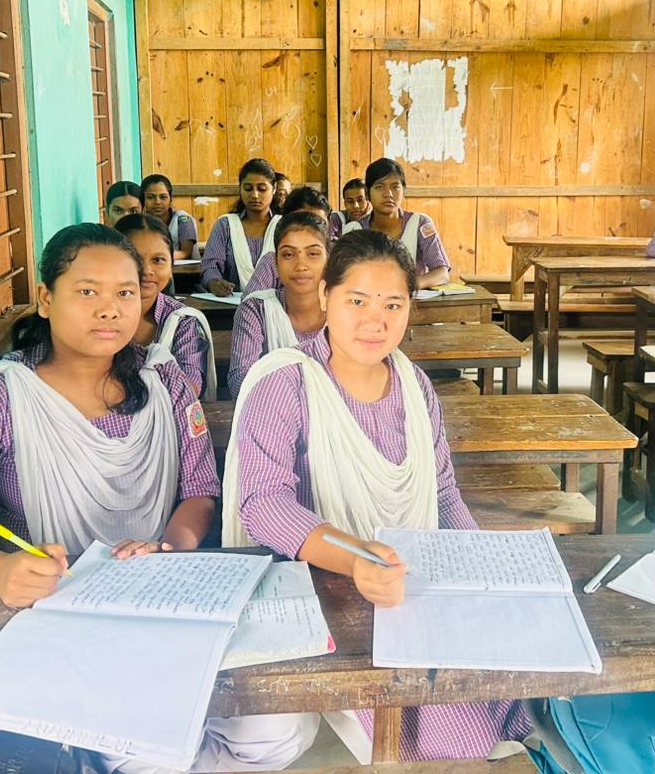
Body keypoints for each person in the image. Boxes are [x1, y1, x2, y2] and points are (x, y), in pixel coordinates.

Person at [0, 224, 313, 773]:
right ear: (46, 299)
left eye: (125, 292)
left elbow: (201, 492)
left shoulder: (165, 382)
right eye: (87, 291)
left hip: (167, 602)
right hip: (58, 615)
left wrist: (169, 548)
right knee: (145, 748)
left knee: (278, 729)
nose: (110, 309)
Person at [223, 230, 531, 762]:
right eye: (357, 301)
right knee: (457, 736)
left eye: (393, 304)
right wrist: (356, 559)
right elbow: (264, 503)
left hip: (408, 576)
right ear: (325, 296)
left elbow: (442, 491)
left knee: (517, 681)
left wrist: (481, 563)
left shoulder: (414, 385)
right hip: (328, 589)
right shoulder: (286, 383)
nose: (375, 321)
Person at [227, 212, 329, 397]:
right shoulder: (257, 309)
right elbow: (240, 380)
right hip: (271, 412)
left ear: (328, 260)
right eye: (288, 254)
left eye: (313, 254)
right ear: (275, 262)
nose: (301, 265)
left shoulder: (347, 311)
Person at [116, 214, 215, 401]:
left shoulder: (183, 322)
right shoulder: (98, 315)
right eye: (134, 258)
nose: (147, 270)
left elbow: (190, 386)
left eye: (158, 260)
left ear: (171, 267)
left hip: (168, 416)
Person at [341, 159, 451, 289]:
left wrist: (408, 286)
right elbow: (344, 277)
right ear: (367, 193)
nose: (388, 194)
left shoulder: (419, 223)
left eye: (395, 187)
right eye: (379, 187)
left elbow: (442, 273)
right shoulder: (354, 230)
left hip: (411, 299)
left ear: (403, 191)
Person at [200, 158, 282, 296]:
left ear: (274, 189)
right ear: (240, 189)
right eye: (248, 188)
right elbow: (210, 266)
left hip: (277, 303)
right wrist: (214, 283)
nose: (254, 195)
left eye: (262, 189)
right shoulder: (226, 225)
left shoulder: (284, 226)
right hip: (231, 303)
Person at [245, 186, 332, 294]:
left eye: (319, 223)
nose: (309, 230)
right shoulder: (272, 262)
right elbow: (251, 299)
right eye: (302, 222)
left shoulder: (342, 259)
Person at [141, 173, 197, 258]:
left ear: (171, 200)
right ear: (143, 200)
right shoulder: (140, 222)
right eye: (150, 197)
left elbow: (185, 252)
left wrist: (158, 257)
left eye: (163, 197)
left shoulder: (182, 219)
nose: (157, 202)